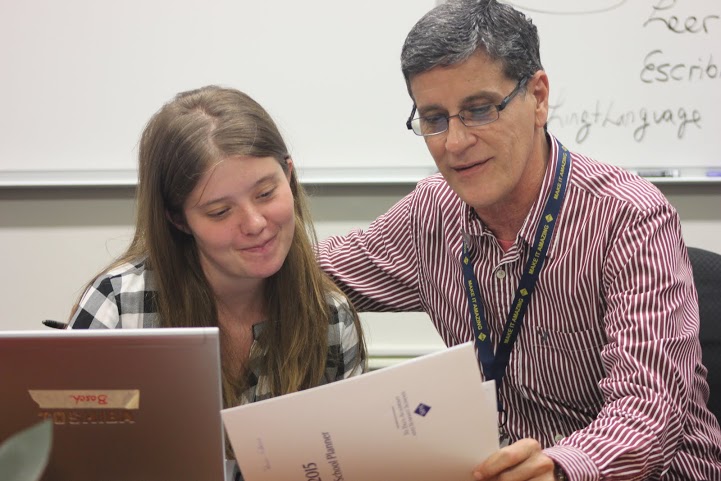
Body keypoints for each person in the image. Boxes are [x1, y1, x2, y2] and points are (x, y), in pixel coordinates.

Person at [316, 1, 721, 480]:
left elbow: (648, 407)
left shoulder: (628, 218)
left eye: (479, 110)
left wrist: (559, 469)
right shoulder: (432, 212)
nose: (455, 142)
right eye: (434, 118)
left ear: (539, 96)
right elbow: (312, 274)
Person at [67, 86, 366, 469]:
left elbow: (347, 464)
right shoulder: (119, 307)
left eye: (265, 193)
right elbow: (69, 462)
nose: (255, 224)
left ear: (289, 177)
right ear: (179, 220)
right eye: (220, 212)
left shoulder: (329, 316)